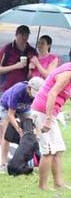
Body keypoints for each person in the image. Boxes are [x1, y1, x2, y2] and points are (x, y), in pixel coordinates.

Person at [0, 25, 38, 144]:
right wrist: (16, 66)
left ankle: (23, 140)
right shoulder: (7, 49)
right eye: (22, 35)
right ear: (16, 34)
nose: (24, 38)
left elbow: (31, 76)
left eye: (26, 35)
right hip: (7, 88)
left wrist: (30, 69)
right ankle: (0, 141)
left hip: (25, 90)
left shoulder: (31, 51)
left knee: (25, 115)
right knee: (2, 116)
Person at [30, 62, 71, 190]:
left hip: (50, 113)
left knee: (58, 148)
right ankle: (42, 186)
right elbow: (52, 94)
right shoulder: (67, 73)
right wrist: (47, 120)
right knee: (48, 151)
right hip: (43, 112)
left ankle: (58, 183)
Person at [0, 77, 45, 172]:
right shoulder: (18, 91)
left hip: (24, 108)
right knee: (6, 135)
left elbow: (37, 113)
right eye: (34, 93)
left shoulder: (39, 95)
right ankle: (3, 164)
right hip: (7, 107)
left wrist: (36, 130)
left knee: (30, 133)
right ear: (28, 88)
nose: (35, 96)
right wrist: (19, 129)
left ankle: (33, 160)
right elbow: (11, 115)